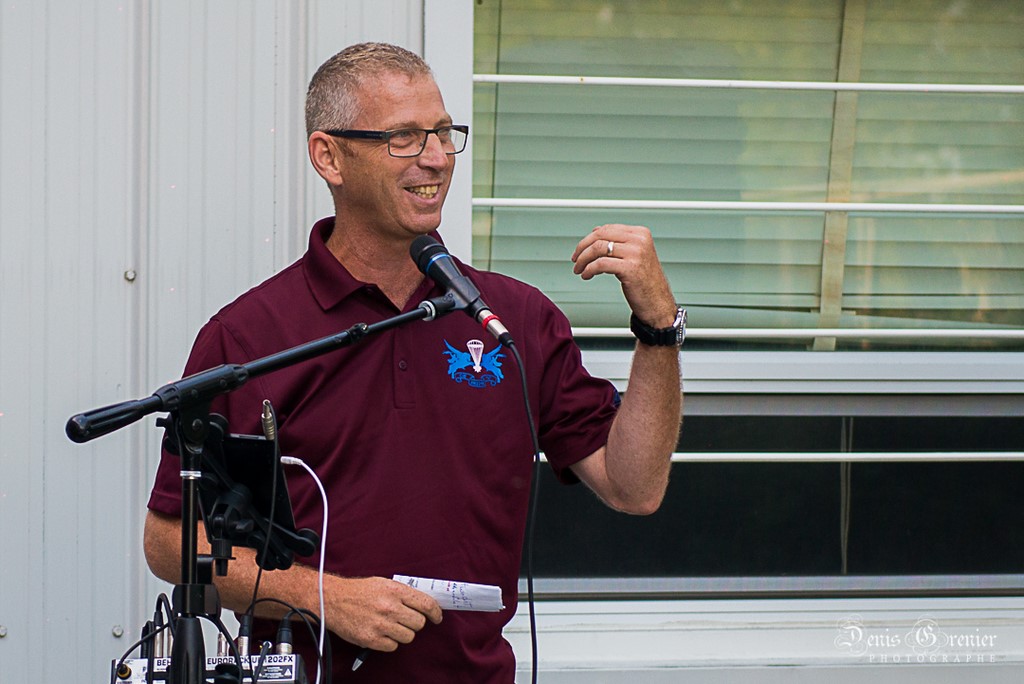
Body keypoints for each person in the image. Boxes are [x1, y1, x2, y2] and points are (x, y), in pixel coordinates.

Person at [144, 42, 683, 683]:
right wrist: (325, 596)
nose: (436, 157)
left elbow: (633, 486)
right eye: (403, 137)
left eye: (443, 133)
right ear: (329, 156)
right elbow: (169, 539)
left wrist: (658, 329)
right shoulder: (250, 335)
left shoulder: (514, 318)